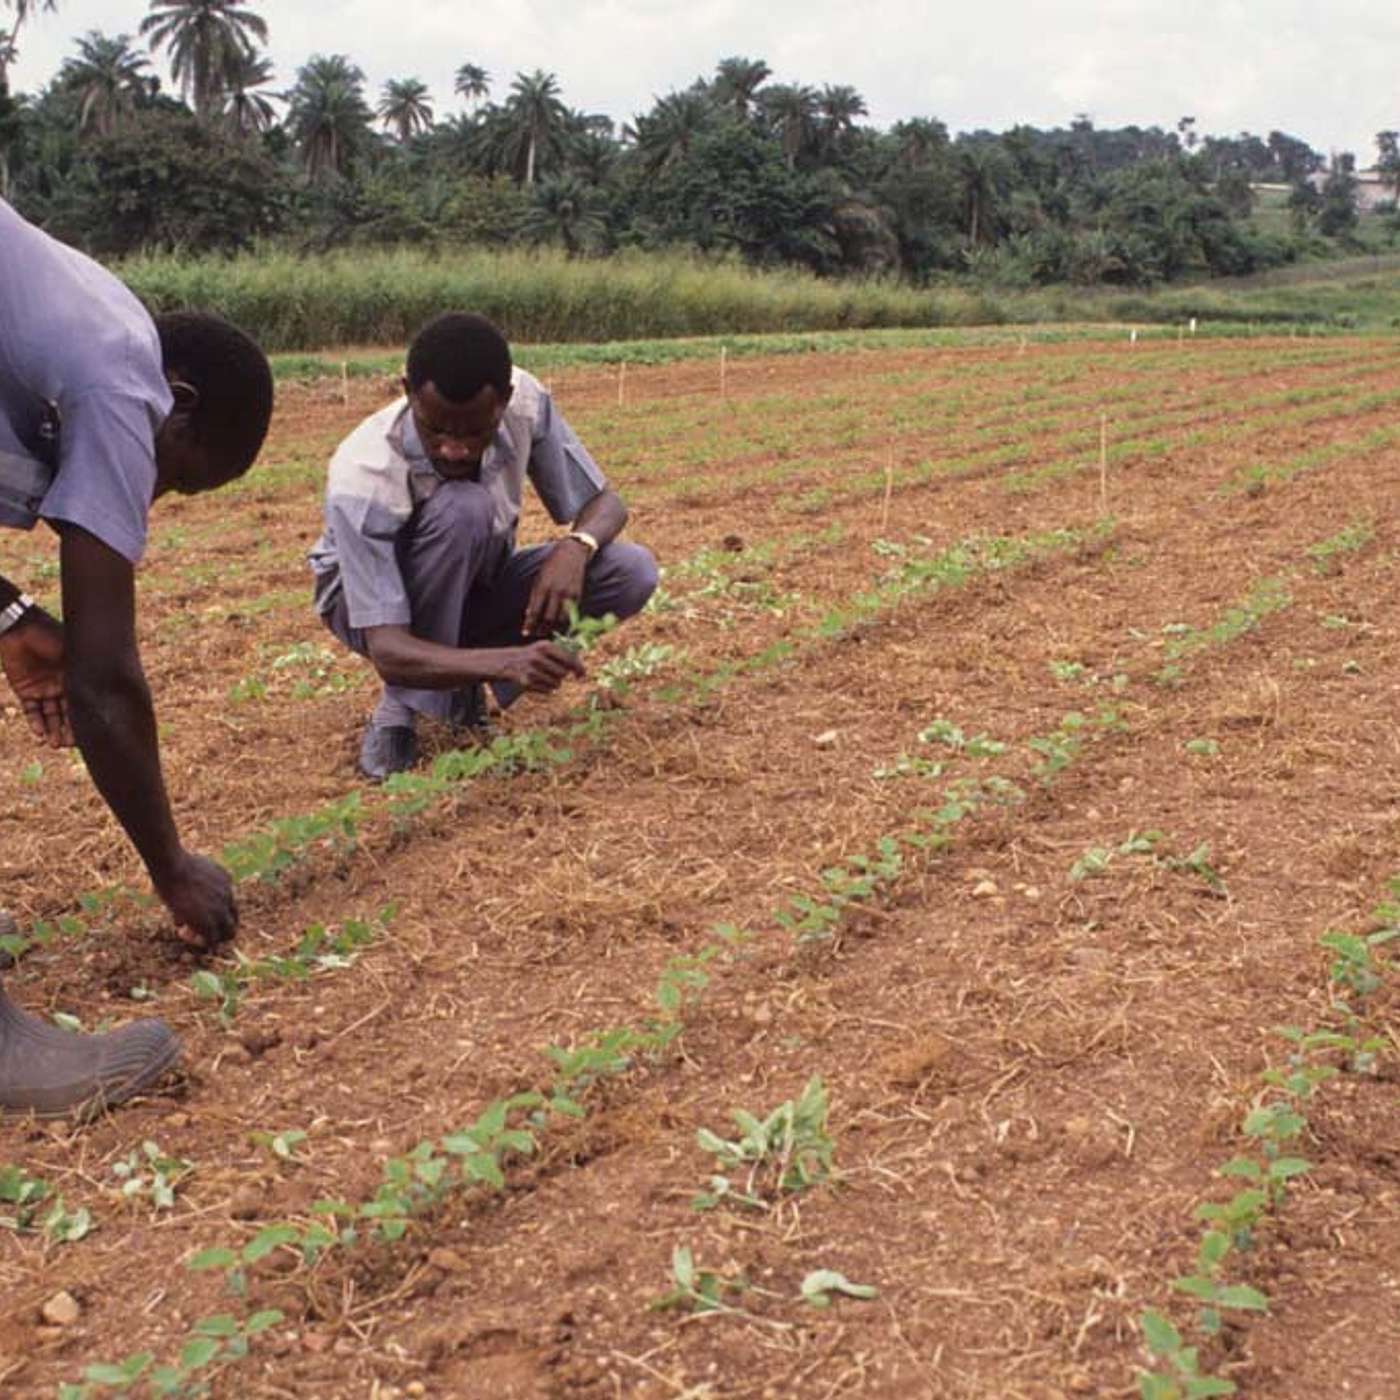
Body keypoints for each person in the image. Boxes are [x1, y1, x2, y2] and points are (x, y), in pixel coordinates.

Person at [0, 196, 274, 1118]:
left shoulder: (83, 318)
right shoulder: (125, 376)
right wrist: (172, 866)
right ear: (180, 404)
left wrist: (6, 614)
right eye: (176, 475)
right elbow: (105, 677)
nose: (149, 494)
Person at [310, 312, 657, 780]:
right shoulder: (363, 473)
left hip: (475, 578)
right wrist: (509, 661)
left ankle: (459, 682)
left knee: (630, 571)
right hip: (367, 609)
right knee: (463, 508)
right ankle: (399, 710)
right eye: (436, 430)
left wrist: (578, 545)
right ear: (408, 391)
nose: (455, 449)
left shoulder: (525, 401)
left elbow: (604, 503)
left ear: (504, 402)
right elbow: (389, 647)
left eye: (475, 432)